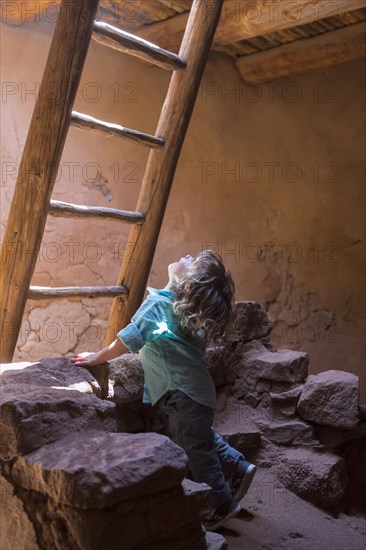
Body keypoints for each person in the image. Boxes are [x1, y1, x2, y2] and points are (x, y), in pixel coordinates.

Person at [71, 249, 256, 530]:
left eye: (191, 262)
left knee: (195, 448)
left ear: (187, 282)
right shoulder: (181, 313)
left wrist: (99, 357)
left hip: (182, 393)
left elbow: (131, 337)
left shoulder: (158, 305)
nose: (187, 256)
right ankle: (238, 467)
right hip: (198, 393)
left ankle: (221, 504)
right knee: (202, 437)